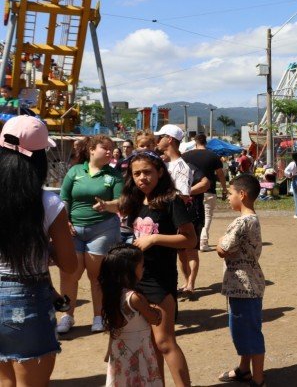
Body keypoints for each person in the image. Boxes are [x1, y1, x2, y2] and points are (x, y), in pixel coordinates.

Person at [0, 116, 76, 385]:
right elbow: (70, 265)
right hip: (26, 299)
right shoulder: (48, 203)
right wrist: (49, 245)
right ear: (40, 156)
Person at [119, 150, 196, 386]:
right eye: (137, 173)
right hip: (136, 279)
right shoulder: (134, 202)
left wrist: (154, 239)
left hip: (159, 280)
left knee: (164, 342)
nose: (142, 177)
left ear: (160, 172)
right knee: (150, 344)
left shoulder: (171, 200)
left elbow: (190, 240)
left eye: (148, 172)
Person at [57, 134, 124, 334]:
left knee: (97, 276)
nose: (110, 151)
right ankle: (67, 316)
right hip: (74, 230)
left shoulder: (114, 175)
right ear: (92, 149)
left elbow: (120, 202)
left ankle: (98, 316)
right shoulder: (75, 171)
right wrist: (65, 221)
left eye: (112, 148)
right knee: (69, 274)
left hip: (102, 229)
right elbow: (64, 198)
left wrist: (107, 205)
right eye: (106, 148)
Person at [216, 174, 266, 387]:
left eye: (230, 193)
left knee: (247, 331)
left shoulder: (241, 221)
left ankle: (258, 379)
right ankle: (245, 369)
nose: (227, 197)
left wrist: (219, 241)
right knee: (245, 329)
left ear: (242, 195)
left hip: (243, 286)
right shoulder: (253, 218)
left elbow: (223, 249)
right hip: (249, 284)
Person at [156, 124, 210, 296]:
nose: (158, 140)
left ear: (169, 140)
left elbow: (182, 196)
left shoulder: (181, 166)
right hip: (169, 218)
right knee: (179, 255)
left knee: (188, 251)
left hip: (179, 218)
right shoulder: (164, 164)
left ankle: (189, 284)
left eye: (161, 137)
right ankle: (185, 283)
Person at [99, 244, 163, 387]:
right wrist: (156, 310)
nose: (143, 269)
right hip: (138, 351)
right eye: (141, 266)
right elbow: (154, 318)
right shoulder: (135, 298)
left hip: (120, 351)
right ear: (129, 270)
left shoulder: (112, 295)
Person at [182, 133, 226, 252]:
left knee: (191, 216)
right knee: (207, 216)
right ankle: (203, 242)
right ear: (205, 142)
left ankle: (191, 239)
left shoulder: (186, 156)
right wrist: (224, 189)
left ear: (195, 142)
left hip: (191, 191)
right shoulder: (213, 156)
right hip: (209, 190)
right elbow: (220, 174)